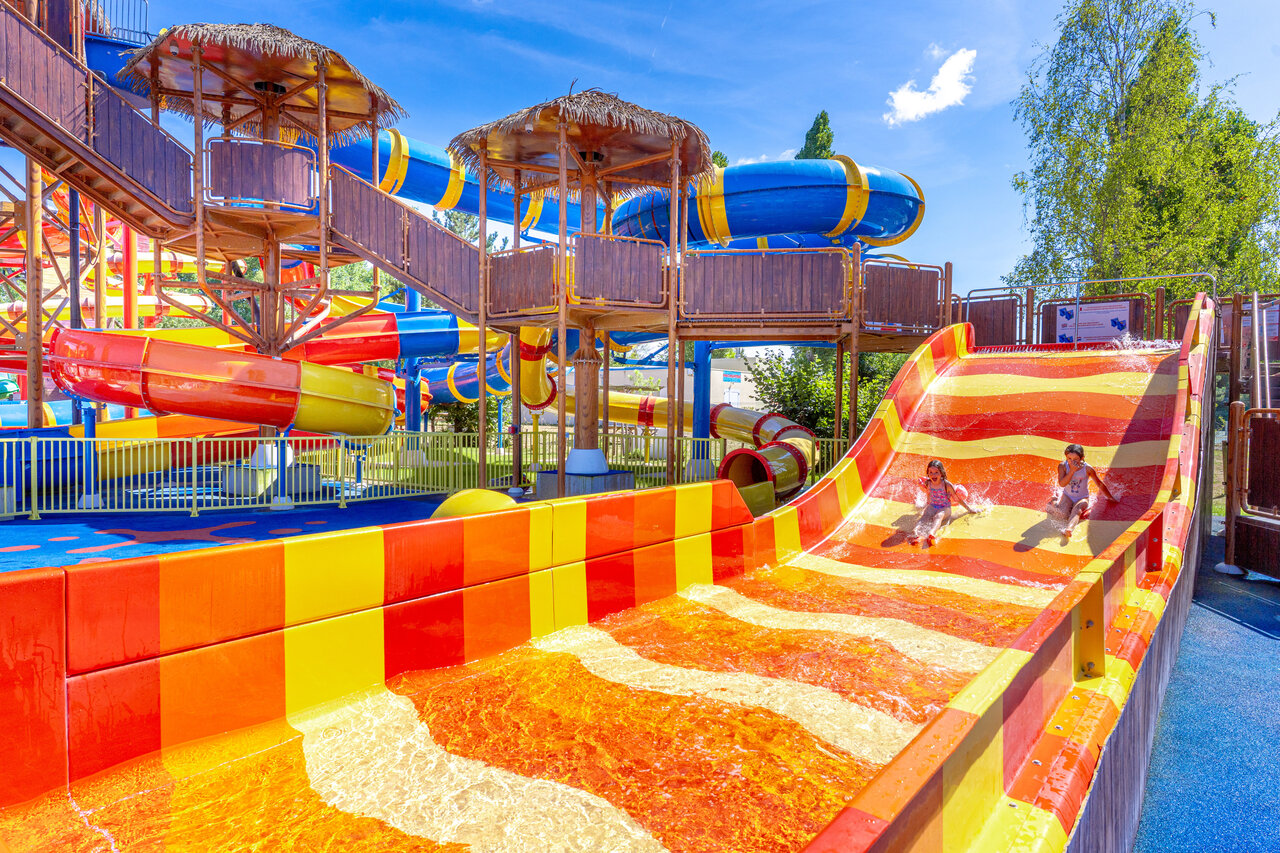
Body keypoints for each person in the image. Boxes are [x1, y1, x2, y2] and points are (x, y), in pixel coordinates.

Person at [1047, 443, 1115, 539]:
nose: (1072, 462)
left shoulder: (1088, 469)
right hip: (1067, 496)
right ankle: (1054, 501)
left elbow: (1099, 483)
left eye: (1075, 459)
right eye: (1069, 459)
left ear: (1082, 458)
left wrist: (1110, 497)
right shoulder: (1062, 466)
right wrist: (1072, 471)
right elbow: (1062, 484)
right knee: (1062, 514)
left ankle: (1069, 529)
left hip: (1082, 497)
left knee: (1077, 510)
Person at [909, 459, 975, 547]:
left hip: (945, 508)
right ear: (928, 474)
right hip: (933, 505)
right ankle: (915, 531)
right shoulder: (928, 483)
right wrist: (925, 506)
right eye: (931, 472)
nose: (933, 475)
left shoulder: (946, 485)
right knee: (925, 516)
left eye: (936, 472)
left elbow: (957, 498)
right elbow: (928, 495)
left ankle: (931, 533)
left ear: (941, 473)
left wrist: (969, 509)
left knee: (938, 516)